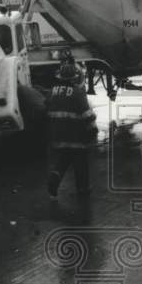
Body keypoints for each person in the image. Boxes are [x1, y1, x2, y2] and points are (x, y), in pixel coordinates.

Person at [47, 60, 97, 200]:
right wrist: (93, 131)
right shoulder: (77, 93)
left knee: (63, 160)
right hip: (77, 136)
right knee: (81, 163)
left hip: (58, 135)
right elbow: (87, 115)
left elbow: (47, 109)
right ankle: (83, 189)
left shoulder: (52, 92)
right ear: (74, 78)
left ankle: (55, 177)